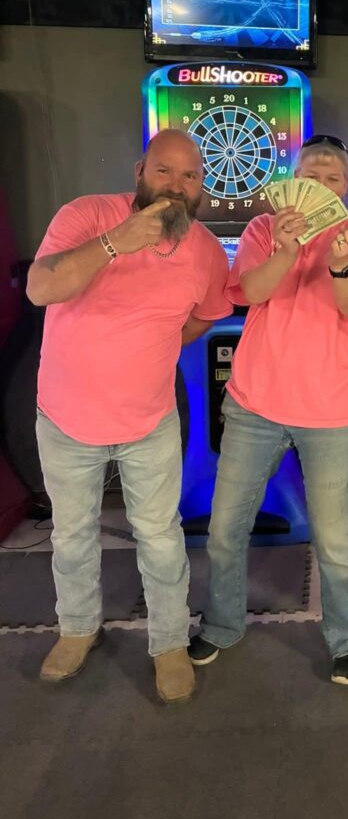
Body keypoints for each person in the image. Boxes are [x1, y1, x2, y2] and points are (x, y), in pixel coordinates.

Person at [28, 129, 232, 704]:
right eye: (164, 171)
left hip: (149, 421)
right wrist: (115, 242)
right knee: (72, 535)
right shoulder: (87, 215)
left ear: (202, 187)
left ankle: (168, 643)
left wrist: (159, 343)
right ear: (140, 171)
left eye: (190, 176)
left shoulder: (206, 250)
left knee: (161, 538)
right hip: (66, 417)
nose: (176, 186)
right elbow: (41, 288)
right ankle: (77, 629)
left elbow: (206, 315)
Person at [188, 135, 348, 686]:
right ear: (293, 181)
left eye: (333, 178)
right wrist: (287, 250)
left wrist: (341, 266)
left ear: (346, 187)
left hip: (335, 406)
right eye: (311, 175)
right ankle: (222, 624)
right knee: (225, 526)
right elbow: (249, 292)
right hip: (256, 402)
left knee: (334, 536)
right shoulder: (262, 228)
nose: (322, 185)